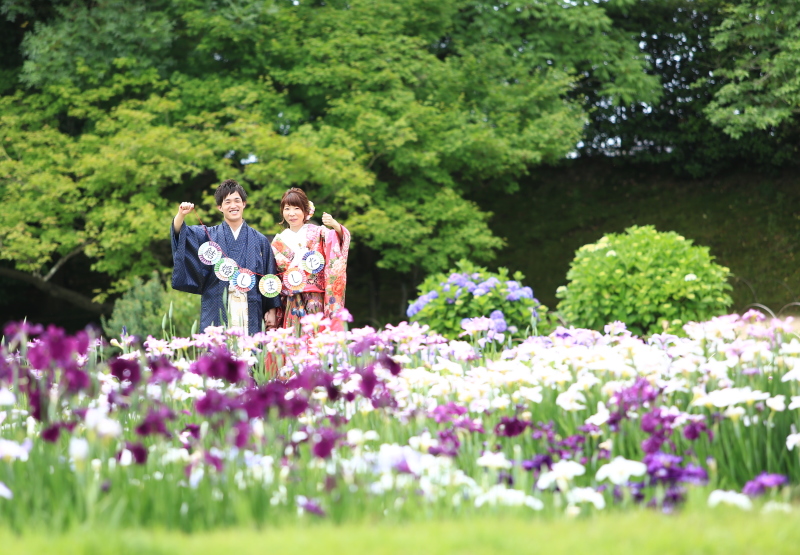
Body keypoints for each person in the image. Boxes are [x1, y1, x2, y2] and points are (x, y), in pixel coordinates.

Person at [171, 179, 281, 334]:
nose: (233, 205)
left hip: (250, 308)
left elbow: (269, 276)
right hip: (217, 306)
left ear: (244, 204)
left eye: (237, 201)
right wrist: (181, 215)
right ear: (220, 207)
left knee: (250, 347)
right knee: (218, 347)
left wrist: (272, 309)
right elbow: (181, 235)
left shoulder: (260, 240)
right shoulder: (208, 236)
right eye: (227, 202)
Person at [271, 187, 350, 330]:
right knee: (294, 338)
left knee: (316, 336)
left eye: (297, 208)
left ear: (305, 211)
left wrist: (335, 225)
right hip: (291, 300)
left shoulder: (318, 233)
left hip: (315, 299)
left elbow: (338, 241)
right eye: (287, 209)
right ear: (282, 211)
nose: (292, 213)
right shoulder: (277, 242)